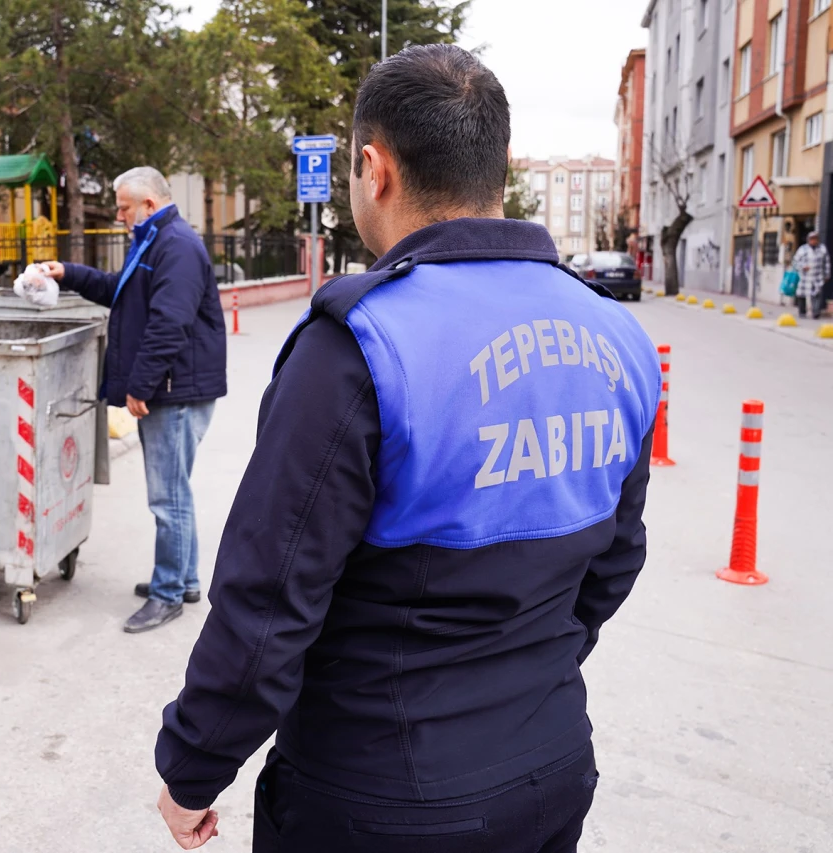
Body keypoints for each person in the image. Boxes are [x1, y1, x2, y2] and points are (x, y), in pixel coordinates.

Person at [151, 45, 663, 852]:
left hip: (382, 797)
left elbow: (269, 599)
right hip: (551, 767)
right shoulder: (617, 335)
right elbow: (615, 559)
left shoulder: (360, 344)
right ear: (495, 170)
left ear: (372, 168)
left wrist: (192, 768)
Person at [42, 167, 227, 634]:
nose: (119, 215)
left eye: (124, 207)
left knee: (168, 498)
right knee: (175, 492)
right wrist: (69, 273)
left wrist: (140, 386)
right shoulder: (153, 240)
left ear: (148, 203)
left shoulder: (176, 246)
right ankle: (182, 580)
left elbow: (169, 323)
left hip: (174, 392)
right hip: (174, 387)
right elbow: (120, 293)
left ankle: (167, 595)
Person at [792, 230, 829, 319]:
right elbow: (795, 262)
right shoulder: (802, 249)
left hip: (817, 276)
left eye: (815, 239)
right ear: (808, 240)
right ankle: (802, 312)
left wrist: (827, 274)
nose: (814, 241)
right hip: (805, 276)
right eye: (812, 239)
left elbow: (826, 263)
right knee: (801, 294)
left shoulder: (822, 249)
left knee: (816, 294)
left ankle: (816, 312)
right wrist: (802, 267)